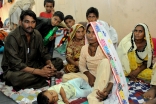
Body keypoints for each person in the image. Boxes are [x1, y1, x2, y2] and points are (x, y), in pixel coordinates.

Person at [62, 22, 129, 104]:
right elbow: (82, 66)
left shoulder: (105, 49)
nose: (90, 35)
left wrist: (108, 90)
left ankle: (94, 95)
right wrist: (90, 76)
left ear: (99, 34)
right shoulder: (84, 48)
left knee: (105, 62)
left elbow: (113, 72)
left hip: (103, 76)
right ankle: (95, 88)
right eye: (88, 32)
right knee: (65, 77)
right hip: (90, 76)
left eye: (94, 32)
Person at [1, 10, 63, 91]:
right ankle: (47, 75)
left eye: (33, 22)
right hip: (15, 69)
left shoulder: (37, 34)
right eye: (27, 22)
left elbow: (43, 53)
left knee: (58, 62)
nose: (30, 25)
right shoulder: (12, 37)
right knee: (16, 79)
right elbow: (16, 64)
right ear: (20, 22)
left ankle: (46, 74)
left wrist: (50, 64)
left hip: (32, 63)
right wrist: (39, 72)